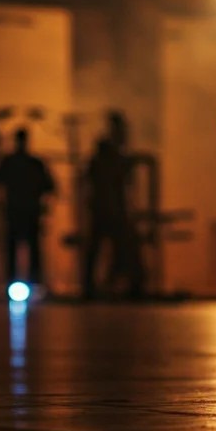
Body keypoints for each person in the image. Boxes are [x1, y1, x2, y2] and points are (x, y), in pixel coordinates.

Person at [83, 112, 145, 300]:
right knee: (109, 247)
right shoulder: (110, 157)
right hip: (108, 209)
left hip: (109, 208)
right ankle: (100, 285)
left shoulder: (111, 156)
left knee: (112, 248)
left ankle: (104, 284)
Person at [0, 128, 55, 287]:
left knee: (22, 249)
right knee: (24, 250)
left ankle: (23, 282)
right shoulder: (31, 163)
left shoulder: (15, 163)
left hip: (21, 213)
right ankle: (29, 282)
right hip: (23, 213)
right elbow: (49, 187)